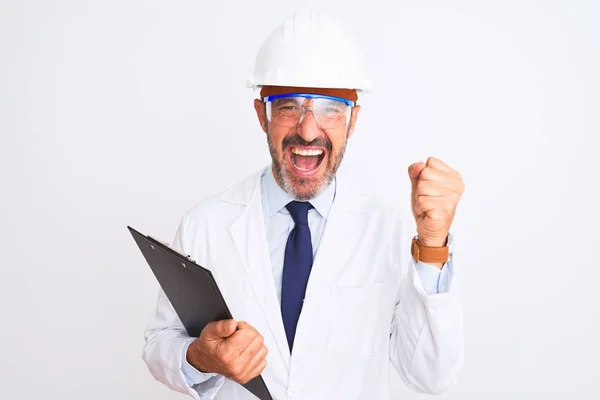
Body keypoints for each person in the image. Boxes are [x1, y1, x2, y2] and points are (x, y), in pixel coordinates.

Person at [142, 10, 465, 400]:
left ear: (352, 120)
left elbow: (431, 375)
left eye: (330, 107)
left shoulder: (385, 227)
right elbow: (161, 342)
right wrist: (199, 356)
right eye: (288, 106)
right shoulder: (206, 223)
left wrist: (432, 245)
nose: (309, 130)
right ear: (262, 115)